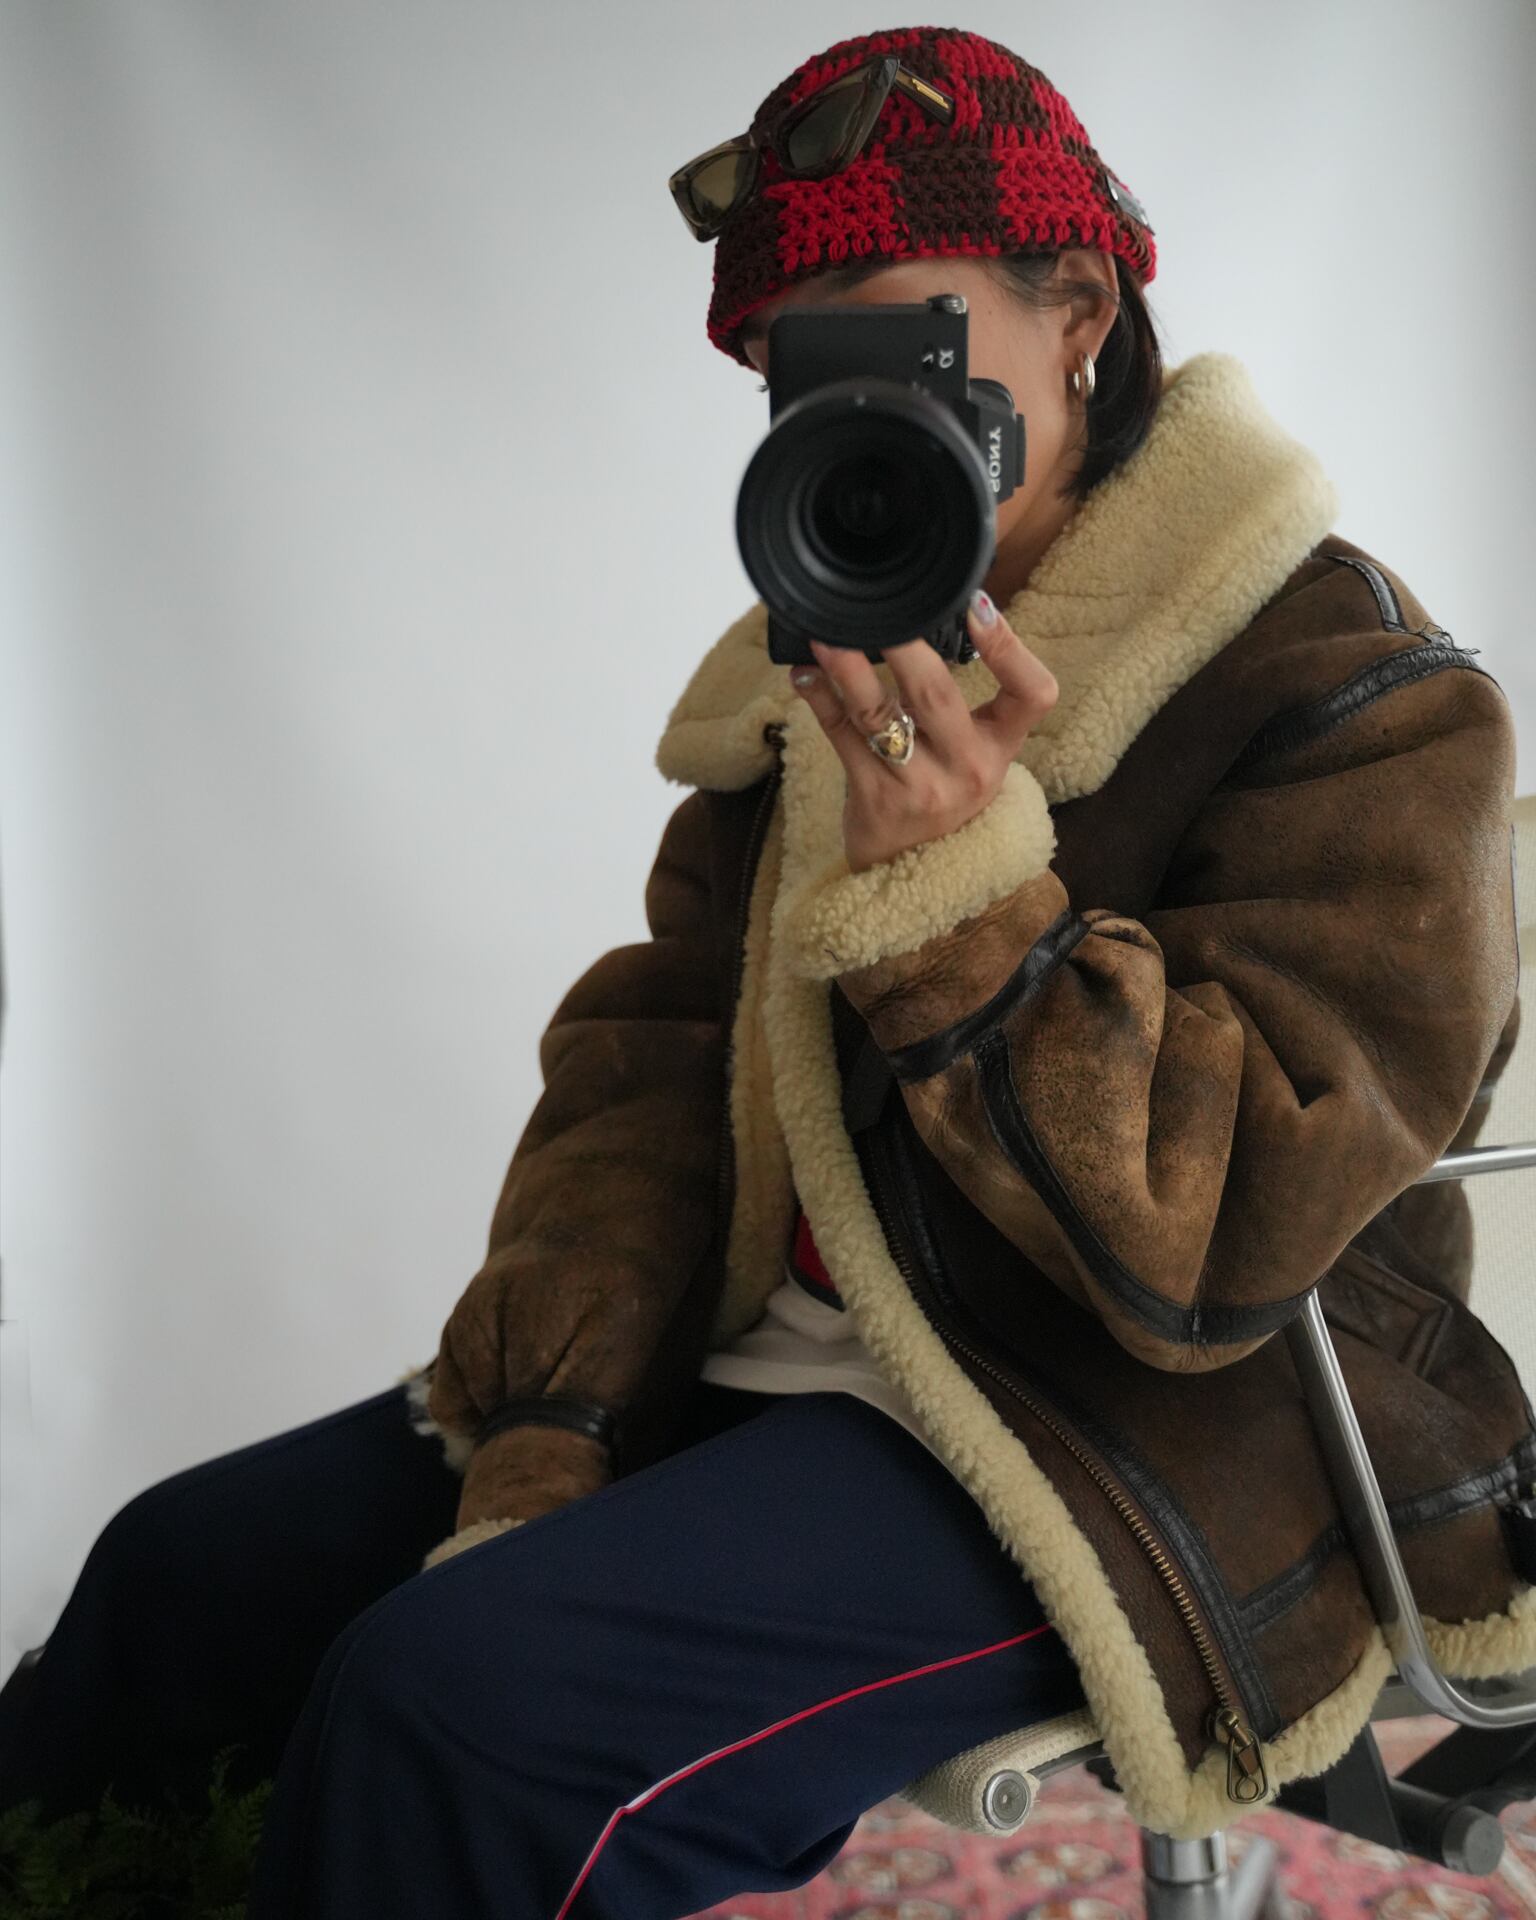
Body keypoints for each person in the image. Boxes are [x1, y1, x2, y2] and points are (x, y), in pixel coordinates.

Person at [1, 24, 1528, 1920]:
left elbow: (1223, 1246)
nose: (857, 408)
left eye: (902, 340)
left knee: (462, 1711)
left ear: (1080, 309)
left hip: (1135, 1425)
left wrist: (965, 902)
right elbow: (653, 1068)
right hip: (784, 1349)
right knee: (174, 1583)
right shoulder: (831, 647)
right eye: (799, 363)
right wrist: (553, 1417)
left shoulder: (1357, 693)